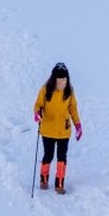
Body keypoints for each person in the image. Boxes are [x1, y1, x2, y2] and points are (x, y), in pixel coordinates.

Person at [34, 62, 82, 193]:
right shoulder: (46, 89)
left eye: (64, 78)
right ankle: (44, 179)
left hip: (63, 130)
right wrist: (37, 113)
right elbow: (38, 105)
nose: (62, 81)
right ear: (53, 78)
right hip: (48, 129)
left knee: (62, 157)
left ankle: (59, 183)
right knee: (48, 155)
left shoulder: (69, 91)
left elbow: (72, 108)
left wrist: (77, 124)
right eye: (59, 78)